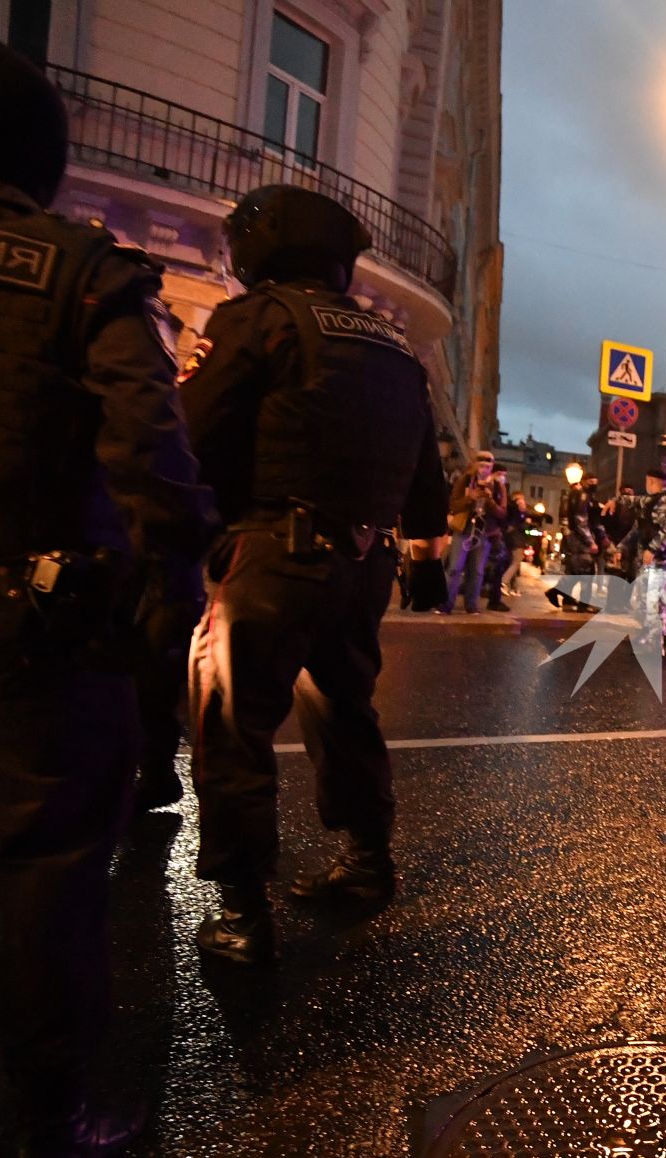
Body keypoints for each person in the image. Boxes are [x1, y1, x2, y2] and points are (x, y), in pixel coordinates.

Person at [0, 38, 218, 1158]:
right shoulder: (79, 272)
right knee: (51, 878)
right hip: (27, 631)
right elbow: (149, 449)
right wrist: (168, 601)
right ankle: (50, 1131)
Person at [181, 184, 451, 964]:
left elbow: (192, 435)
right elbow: (426, 481)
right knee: (345, 712)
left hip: (270, 558)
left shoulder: (256, 320)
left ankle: (241, 911)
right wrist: (427, 557)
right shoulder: (394, 346)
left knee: (230, 728)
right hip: (363, 565)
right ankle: (368, 863)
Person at [617, 467, 666, 655]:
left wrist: (652, 549)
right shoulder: (651, 502)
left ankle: (663, 639)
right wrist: (621, 546)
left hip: (665, 560)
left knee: (661, 601)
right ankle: (650, 633)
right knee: (647, 600)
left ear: (651, 482)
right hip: (651, 561)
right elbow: (638, 526)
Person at [442, 449, 504, 614]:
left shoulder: (498, 485)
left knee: (476, 570)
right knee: (455, 567)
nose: (484, 470)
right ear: (475, 465)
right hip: (465, 528)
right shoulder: (465, 479)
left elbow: (502, 512)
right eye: (481, 465)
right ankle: (446, 604)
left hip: (483, 532)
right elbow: (453, 505)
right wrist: (471, 498)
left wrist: (489, 500)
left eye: (488, 466)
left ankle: (471, 605)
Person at [547, 472, 606, 612]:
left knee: (576, 572)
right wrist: (590, 541)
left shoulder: (584, 495)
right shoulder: (582, 495)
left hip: (577, 538)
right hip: (580, 540)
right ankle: (583, 603)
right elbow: (581, 520)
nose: (594, 485)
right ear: (585, 481)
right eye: (591, 482)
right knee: (587, 570)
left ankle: (558, 593)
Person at [485, 484, 528, 611]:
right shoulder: (512, 507)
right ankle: (502, 584)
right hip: (512, 538)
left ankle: (501, 587)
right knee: (512, 562)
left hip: (507, 537)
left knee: (507, 562)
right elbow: (514, 521)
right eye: (520, 499)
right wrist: (521, 511)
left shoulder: (510, 506)